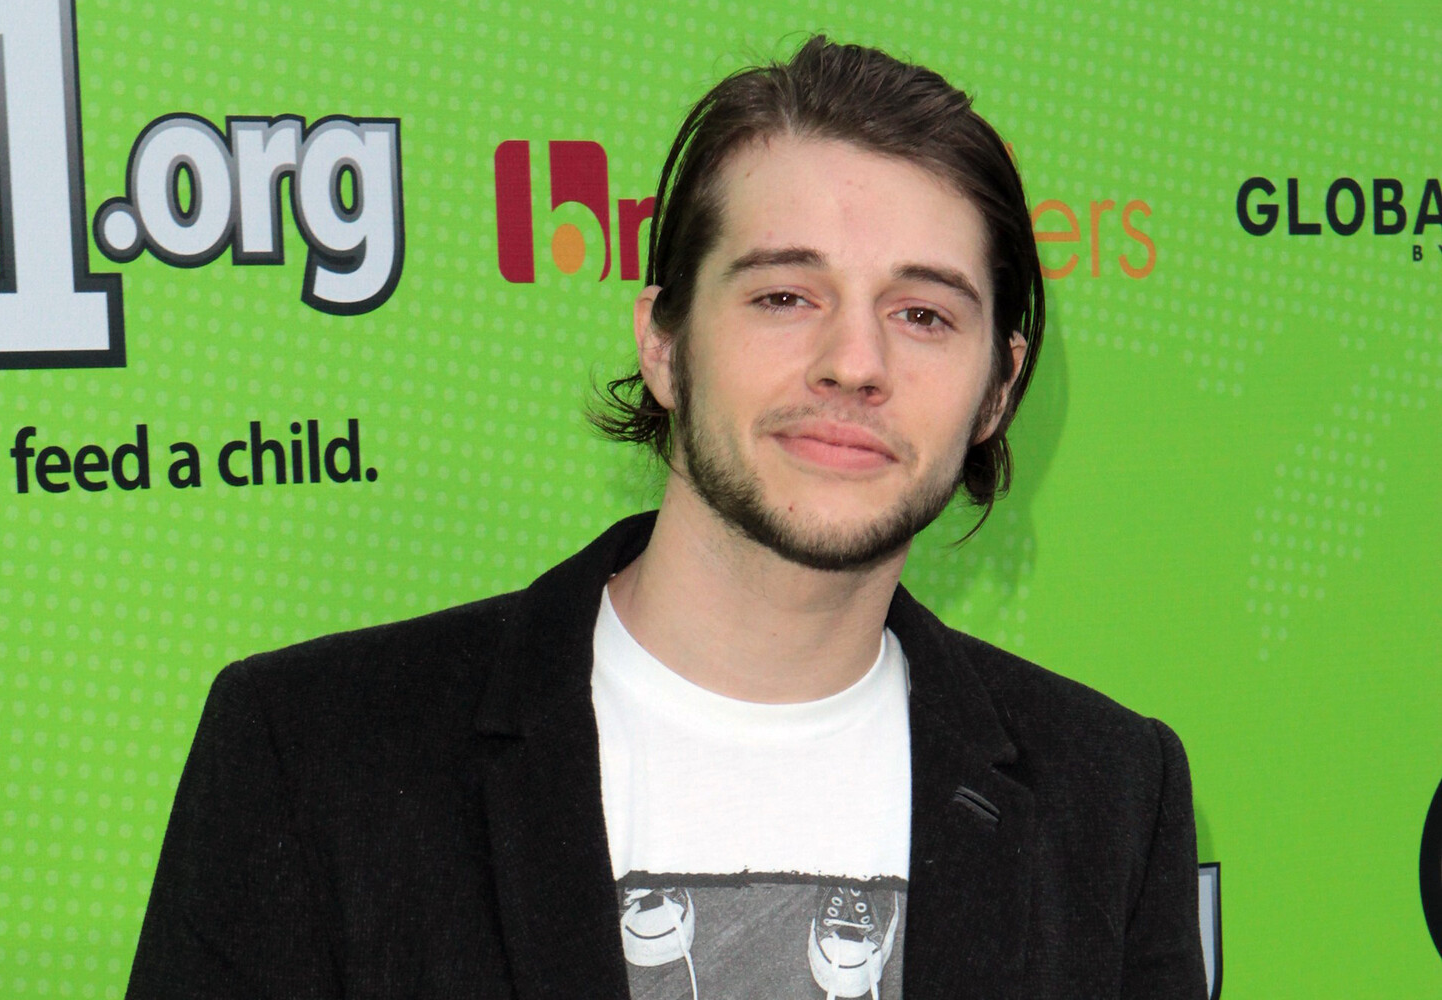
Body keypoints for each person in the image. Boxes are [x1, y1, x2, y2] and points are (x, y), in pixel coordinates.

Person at [126, 36, 1205, 1000]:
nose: (855, 362)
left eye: (923, 313)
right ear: (663, 342)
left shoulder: (1109, 798)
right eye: (785, 295)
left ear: (998, 389)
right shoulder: (315, 754)